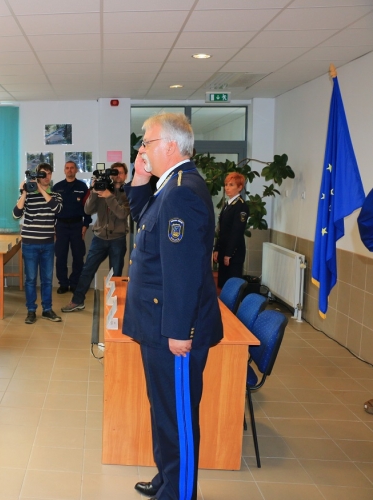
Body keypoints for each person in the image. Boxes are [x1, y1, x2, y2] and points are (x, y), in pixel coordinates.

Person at [123, 113, 222, 500]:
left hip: (174, 332)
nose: (141, 149)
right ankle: (168, 479)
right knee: (164, 410)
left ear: (169, 146)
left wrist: (180, 331)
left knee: (177, 418)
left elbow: (182, 271)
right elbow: (144, 221)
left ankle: (179, 493)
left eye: (146, 143)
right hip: (158, 323)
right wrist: (139, 178)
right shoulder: (169, 187)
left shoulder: (181, 191)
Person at [62, 161, 131, 313]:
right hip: (99, 237)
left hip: (118, 239)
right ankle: (77, 301)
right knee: (87, 270)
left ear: (125, 175)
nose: (117, 175)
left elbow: (122, 214)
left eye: (120, 172)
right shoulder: (102, 188)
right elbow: (87, 210)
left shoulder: (128, 192)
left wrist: (109, 196)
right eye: (114, 172)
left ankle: (114, 306)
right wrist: (94, 191)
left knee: (116, 273)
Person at [13, 162, 63, 324]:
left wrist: (41, 189)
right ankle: (31, 310)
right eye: (42, 173)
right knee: (31, 279)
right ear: (37, 175)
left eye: (48, 173)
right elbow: (16, 214)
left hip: (47, 244)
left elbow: (57, 209)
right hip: (29, 244)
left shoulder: (55, 195)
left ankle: (47, 309)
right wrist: (24, 193)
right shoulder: (28, 195)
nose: (46, 176)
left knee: (47, 279)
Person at [53, 160, 91, 294]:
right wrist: (53, 226)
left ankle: (75, 283)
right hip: (61, 226)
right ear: (64, 170)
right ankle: (63, 283)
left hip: (77, 225)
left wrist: (86, 224)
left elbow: (87, 208)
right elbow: (52, 209)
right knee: (61, 256)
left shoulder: (82, 187)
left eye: (72, 168)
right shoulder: (57, 187)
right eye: (67, 168)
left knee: (78, 256)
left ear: (76, 170)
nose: (69, 170)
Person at [213, 172, 248, 289]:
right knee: (223, 285)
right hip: (224, 250)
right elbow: (222, 231)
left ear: (240, 187)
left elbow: (237, 231)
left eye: (231, 185)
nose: (227, 188)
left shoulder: (241, 206)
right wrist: (217, 248)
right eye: (226, 184)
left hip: (233, 253)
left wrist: (229, 253)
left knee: (232, 287)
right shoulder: (228, 204)